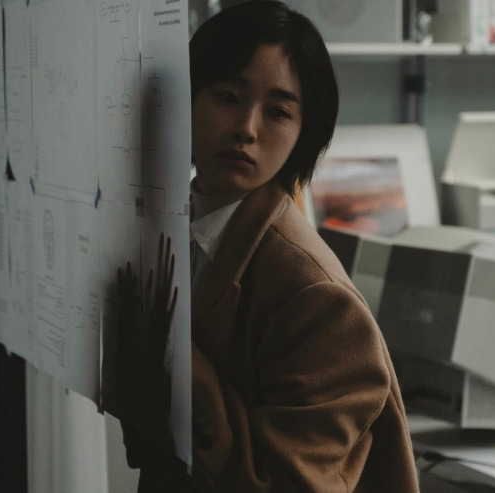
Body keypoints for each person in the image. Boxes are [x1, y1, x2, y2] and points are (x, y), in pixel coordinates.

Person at [114, 1, 420, 491]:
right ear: (186, 98)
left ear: (303, 133)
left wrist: (182, 368)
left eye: (278, 112)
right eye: (227, 96)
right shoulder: (173, 228)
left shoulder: (318, 297)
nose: (247, 128)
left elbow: (288, 484)